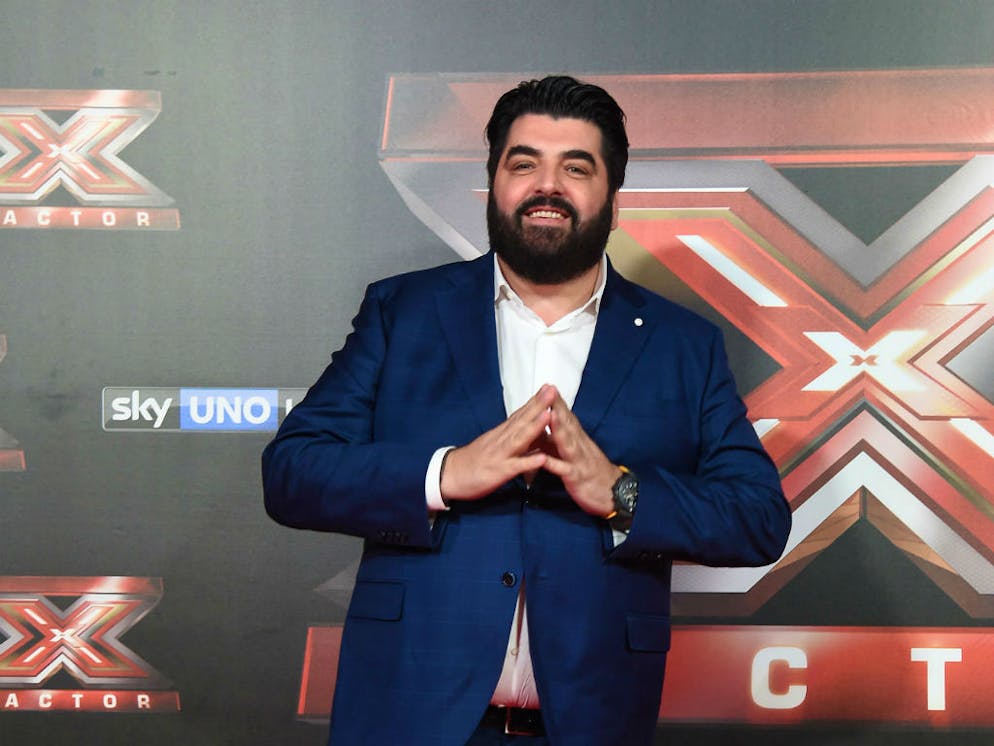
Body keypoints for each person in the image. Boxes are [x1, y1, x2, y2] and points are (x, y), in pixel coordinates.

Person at [262, 75, 791, 746]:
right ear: (494, 184)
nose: (548, 186)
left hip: (591, 725)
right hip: (409, 718)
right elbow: (293, 471)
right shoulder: (403, 313)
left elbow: (758, 519)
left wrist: (621, 492)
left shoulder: (681, 344)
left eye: (576, 167)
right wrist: (444, 474)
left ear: (613, 200)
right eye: (524, 164)